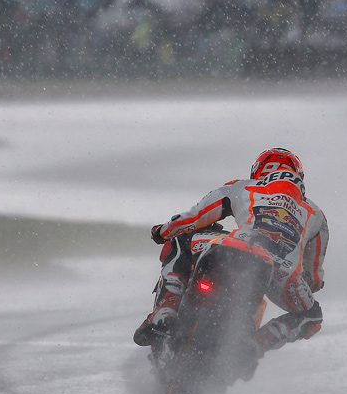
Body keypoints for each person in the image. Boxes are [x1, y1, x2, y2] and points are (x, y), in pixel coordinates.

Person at [134, 147, 328, 364]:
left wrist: (162, 231)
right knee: (312, 316)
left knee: (180, 241)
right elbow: (314, 277)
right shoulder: (316, 214)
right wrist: (305, 286)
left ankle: (166, 311)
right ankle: (255, 345)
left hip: (232, 249)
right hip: (281, 273)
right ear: (299, 177)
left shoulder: (242, 187)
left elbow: (193, 218)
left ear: (258, 171)